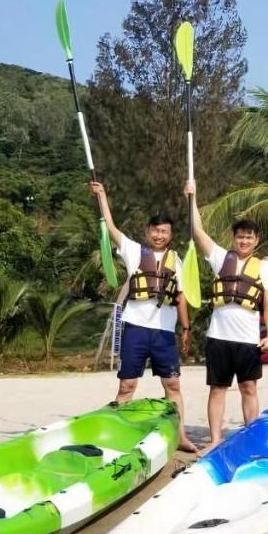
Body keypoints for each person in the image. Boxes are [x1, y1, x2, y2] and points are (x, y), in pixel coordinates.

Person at [89, 181, 197, 452]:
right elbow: (112, 229)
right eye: (155, 230)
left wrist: (186, 329)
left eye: (164, 231)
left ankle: (181, 435)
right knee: (127, 385)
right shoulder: (135, 252)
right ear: (148, 232)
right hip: (135, 327)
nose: (159, 235)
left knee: (172, 384)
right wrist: (102, 195)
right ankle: (117, 435)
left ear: (170, 235)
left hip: (164, 331)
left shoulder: (178, 261)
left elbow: (181, 296)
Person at [184, 181, 268, 448]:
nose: (244, 241)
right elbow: (197, 230)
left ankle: (253, 439)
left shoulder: (264, 267)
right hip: (218, 337)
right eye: (240, 237)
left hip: (248, 340)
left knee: (249, 388)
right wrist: (192, 198)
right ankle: (215, 439)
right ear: (234, 238)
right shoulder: (219, 258)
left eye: (249, 237)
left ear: (256, 240)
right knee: (217, 389)